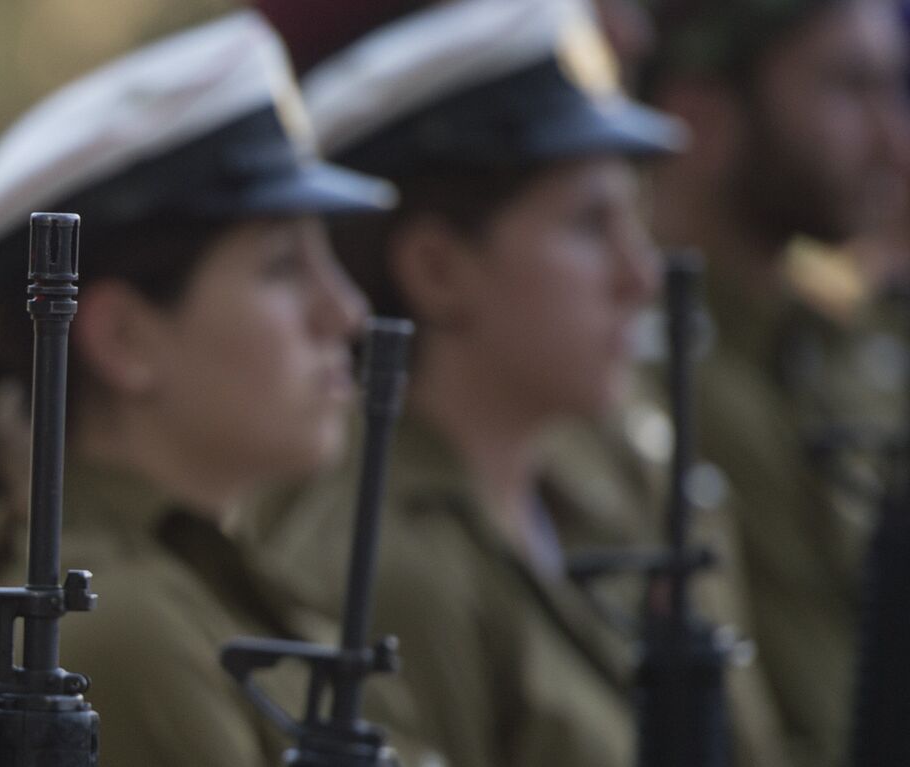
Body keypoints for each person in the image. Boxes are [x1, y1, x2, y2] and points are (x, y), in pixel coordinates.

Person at [0, 12, 444, 766]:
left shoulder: (206, 592)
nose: (345, 312)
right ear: (125, 338)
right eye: (283, 267)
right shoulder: (126, 636)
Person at [244, 1, 697, 765]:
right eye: (591, 226)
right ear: (437, 269)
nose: (640, 274)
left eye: (636, 218)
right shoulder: (390, 573)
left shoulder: (586, 484)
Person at [641, 0, 909, 762]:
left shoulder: (845, 345)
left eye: (894, 91)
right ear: (702, 115)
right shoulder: (623, 376)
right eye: (847, 89)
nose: (894, 142)